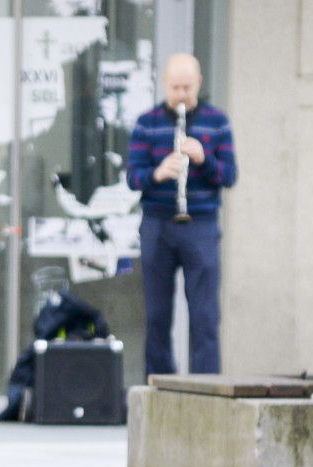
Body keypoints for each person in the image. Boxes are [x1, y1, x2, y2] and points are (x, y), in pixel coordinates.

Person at [127, 53, 237, 378]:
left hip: (201, 225)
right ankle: (159, 387)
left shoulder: (217, 122)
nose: (181, 95)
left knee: (204, 316)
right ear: (165, 84)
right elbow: (133, 178)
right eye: (175, 87)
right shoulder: (146, 123)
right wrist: (158, 173)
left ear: (199, 84)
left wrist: (205, 160)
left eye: (187, 87)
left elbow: (229, 176)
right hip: (158, 223)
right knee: (157, 315)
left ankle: (206, 391)